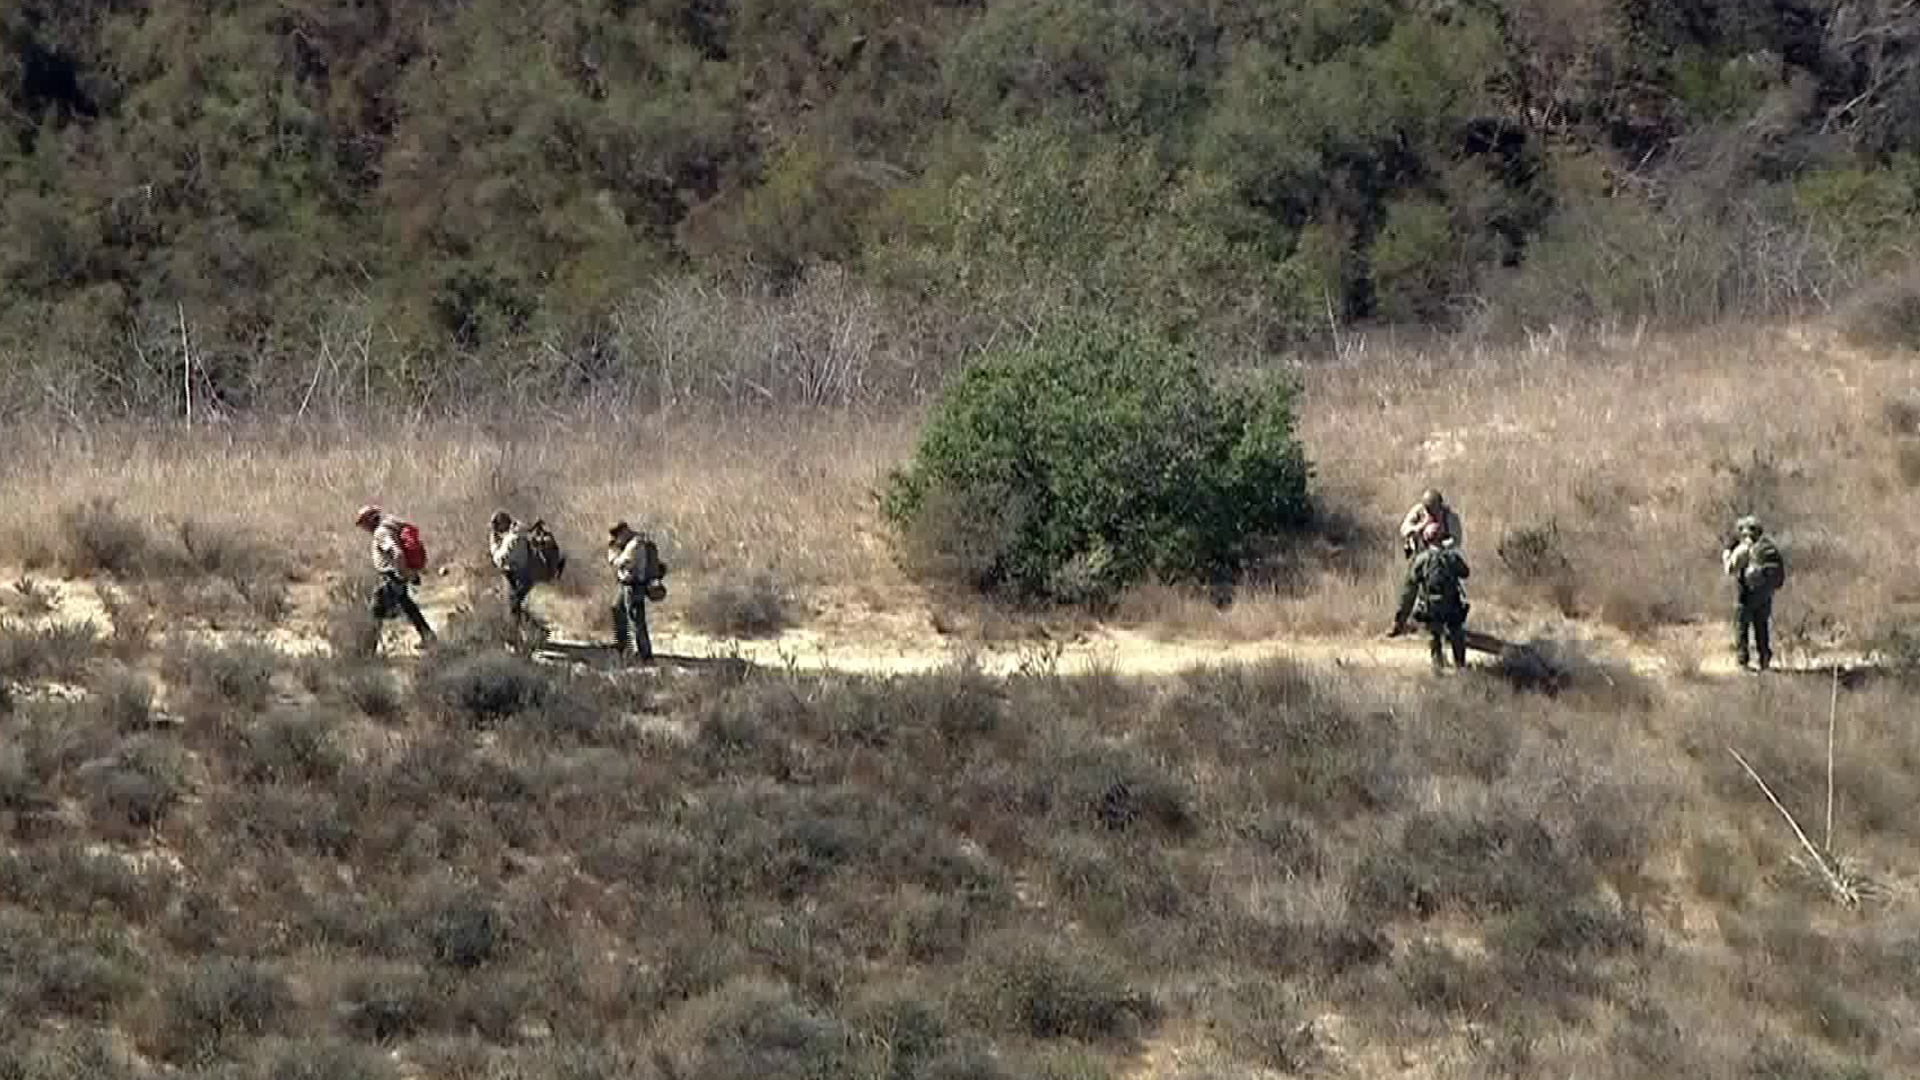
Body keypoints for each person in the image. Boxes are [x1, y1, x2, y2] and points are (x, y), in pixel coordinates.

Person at [1390, 521, 1472, 672]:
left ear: (1426, 539)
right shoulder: (1452, 557)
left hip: (1430, 607)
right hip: (1452, 606)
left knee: (1434, 635)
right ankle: (1460, 666)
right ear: (1442, 538)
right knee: (1456, 632)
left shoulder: (1421, 559)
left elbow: (1409, 590)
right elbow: (1466, 572)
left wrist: (1400, 619)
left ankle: (1437, 667)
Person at [356, 504, 434, 650]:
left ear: (369, 521)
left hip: (393, 576)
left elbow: (397, 552)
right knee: (408, 607)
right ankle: (428, 637)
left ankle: (367, 650)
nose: (363, 528)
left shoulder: (381, 533)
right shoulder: (390, 526)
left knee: (376, 610)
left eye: (363, 523)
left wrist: (402, 574)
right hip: (397, 575)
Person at [1723, 515, 1786, 672]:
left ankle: (1743, 662)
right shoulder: (1767, 547)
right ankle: (1765, 660)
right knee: (1762, 627)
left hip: (1746, 595)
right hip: (1765, 595)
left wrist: (1727, 552)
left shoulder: (1744, 548)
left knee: (1741, 627)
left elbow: (1730, 569)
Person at [607, 520, 666, 663]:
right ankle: (623, 647)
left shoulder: (635, 544)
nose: (616, 538)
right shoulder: (635, 542)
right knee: (617, 609)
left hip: (634, 585)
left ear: (624, 531)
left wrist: (613, 554)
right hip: (629, 585)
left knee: (636, 621)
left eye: (617, 535)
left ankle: (645, 655)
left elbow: (622, 562)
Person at [489, 510, 535, 623]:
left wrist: (493, 544)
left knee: (513, 609)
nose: (495, 530)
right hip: (526, 574)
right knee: (520, 607)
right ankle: (527, 632)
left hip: (517, 577)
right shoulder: (519, 532)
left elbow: (499, 560)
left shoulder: (512, 539)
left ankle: (520, 636)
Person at [1400, 488, 1463, 559]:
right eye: (1429, 508)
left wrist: (1439, 545)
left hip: (1442, 554)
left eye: (1435, 508)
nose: (1432, 511)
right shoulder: (1419, 511)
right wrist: (1421, 526)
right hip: (1420, 553)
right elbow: (1404, 530)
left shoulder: (1450, 517)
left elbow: (1457, 540)